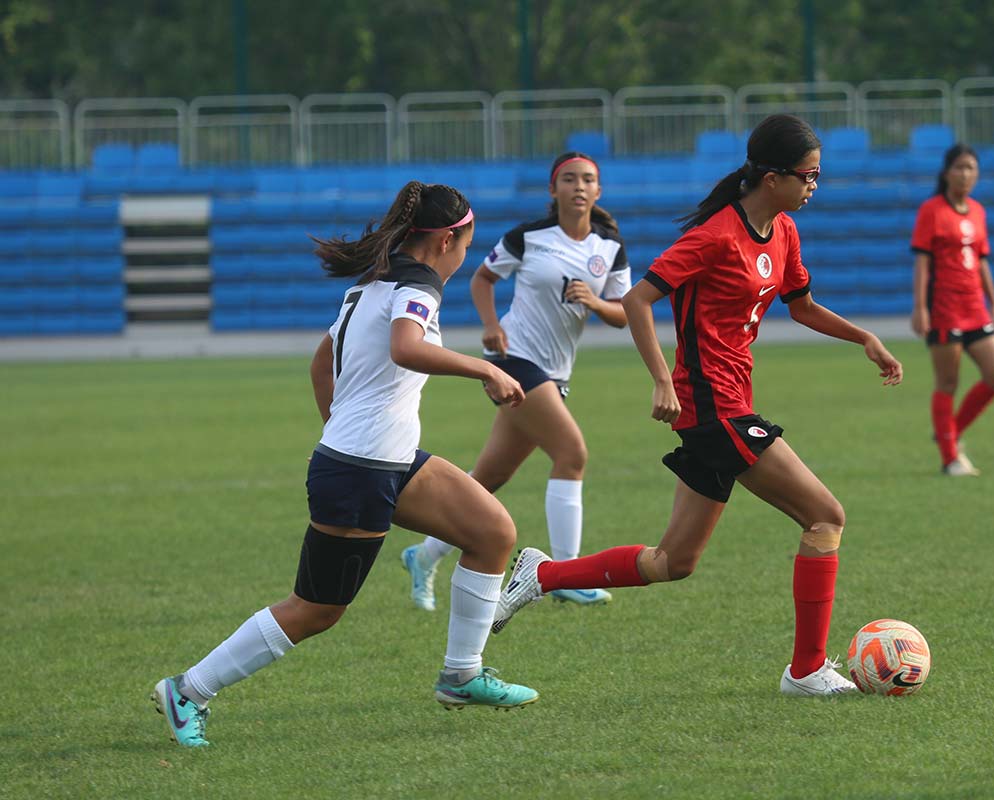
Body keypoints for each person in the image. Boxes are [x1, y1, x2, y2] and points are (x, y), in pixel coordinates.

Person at [488, 114, 904, 698]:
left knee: (673, 561)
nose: (814, 186)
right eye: (808, 176)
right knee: (825, 516)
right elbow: (637, 300)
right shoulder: (715, 236)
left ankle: (542, 573)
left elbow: (802, 305)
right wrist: (662, 380)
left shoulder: (783, 231)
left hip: (729, 403)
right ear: (773, 178)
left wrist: (864, 338)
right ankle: (807, 670)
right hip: (713, 406)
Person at [152, 182, 539, 748]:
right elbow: (406, 347)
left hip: (382, 458)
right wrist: (486, 369)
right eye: (466, 245)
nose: (464, 256)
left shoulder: (373, 283)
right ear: (446, 241)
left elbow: (321, 362)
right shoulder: (418, 284)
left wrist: (342, 429)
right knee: (316, 609)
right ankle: (188, 689)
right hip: (362, 467)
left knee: (492, 532)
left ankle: (461, 676)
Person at [400, 152, 630, 611]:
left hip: (555, 372)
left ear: (598, 191)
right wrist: (491, 325)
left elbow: (623, 313)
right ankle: (565, 574)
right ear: (553, 189)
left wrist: (595, 302)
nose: (579, 186)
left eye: (587, 180)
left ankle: (422, 556)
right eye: (569, 179)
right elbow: (483, 279)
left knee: (489, 477)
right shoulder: (528, 237)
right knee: (572, 453)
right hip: (514, 359)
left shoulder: (609, 247)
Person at [910, 144, 994, 476]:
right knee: (947, 383)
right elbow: (922, 263)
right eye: (960, 167)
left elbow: (981, 261)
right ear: (946, 172)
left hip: (975, 307)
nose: (966, 174)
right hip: (944, 308)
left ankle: (949, 432)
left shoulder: (977, 211)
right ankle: (950, 459)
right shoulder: (932, 210)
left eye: (971, 168)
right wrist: (920, 308)